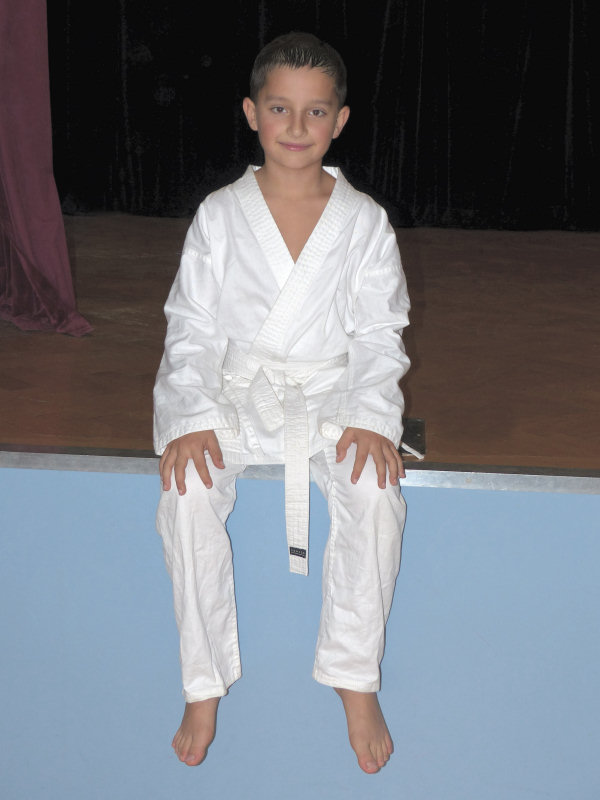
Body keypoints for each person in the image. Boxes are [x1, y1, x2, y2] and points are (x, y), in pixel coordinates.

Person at [153, 31, 411, 775]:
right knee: (186, 492)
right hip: (237, 396)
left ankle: (354, 675)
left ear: (341, 120)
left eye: (315, 111)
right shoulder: (219, 214)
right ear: (251, 112)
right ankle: (203, 682)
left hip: (330, 399)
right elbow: (192, 327)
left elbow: (379, 333)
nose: (296, 126)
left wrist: (371, 417)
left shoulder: (363, 221)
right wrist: (191, 418)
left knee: (374, 492)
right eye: (279, 108)